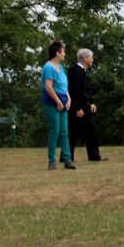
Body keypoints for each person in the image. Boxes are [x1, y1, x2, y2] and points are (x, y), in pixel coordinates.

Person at [68, 48, 106, 162]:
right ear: (84, 58)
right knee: (72, 132)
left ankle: (94, 155)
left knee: (91, 130)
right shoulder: (76, 71)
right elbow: (74, 91)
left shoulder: (84, 71)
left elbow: (87, 89)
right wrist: (78, 108)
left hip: (85, 105)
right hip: (77, 107)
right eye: (91, 57)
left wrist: (92, 102)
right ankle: (67, 156)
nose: (92, 60)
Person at [41, 40, 75, 170]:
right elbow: (48, 87)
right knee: (55, 130)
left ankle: (67, 159)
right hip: (52, 103)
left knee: (64, 131)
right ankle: (51, 161)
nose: (64, 54)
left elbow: (63, 85)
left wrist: (68, 98)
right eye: (63, 51)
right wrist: (58, 102)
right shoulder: (48, 67)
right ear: (57, 53)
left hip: (63, 102)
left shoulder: (60, 67)